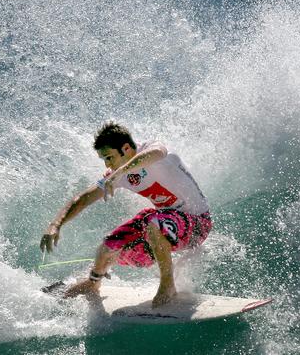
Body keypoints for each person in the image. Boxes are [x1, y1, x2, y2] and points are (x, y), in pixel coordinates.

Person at [40, 122, 212, 307]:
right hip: (165, 220)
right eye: (104, 159)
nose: (107, 164)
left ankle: (168, 286)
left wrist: (122, 170)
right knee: (108, 247)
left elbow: (157, 152)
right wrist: (56, 224)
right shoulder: (117, 173)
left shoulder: (152, 150)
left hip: (198, 224)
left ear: (126, 148)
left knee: (154, 222)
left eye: (109, 157)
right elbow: (83, 199)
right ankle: (93, 282)